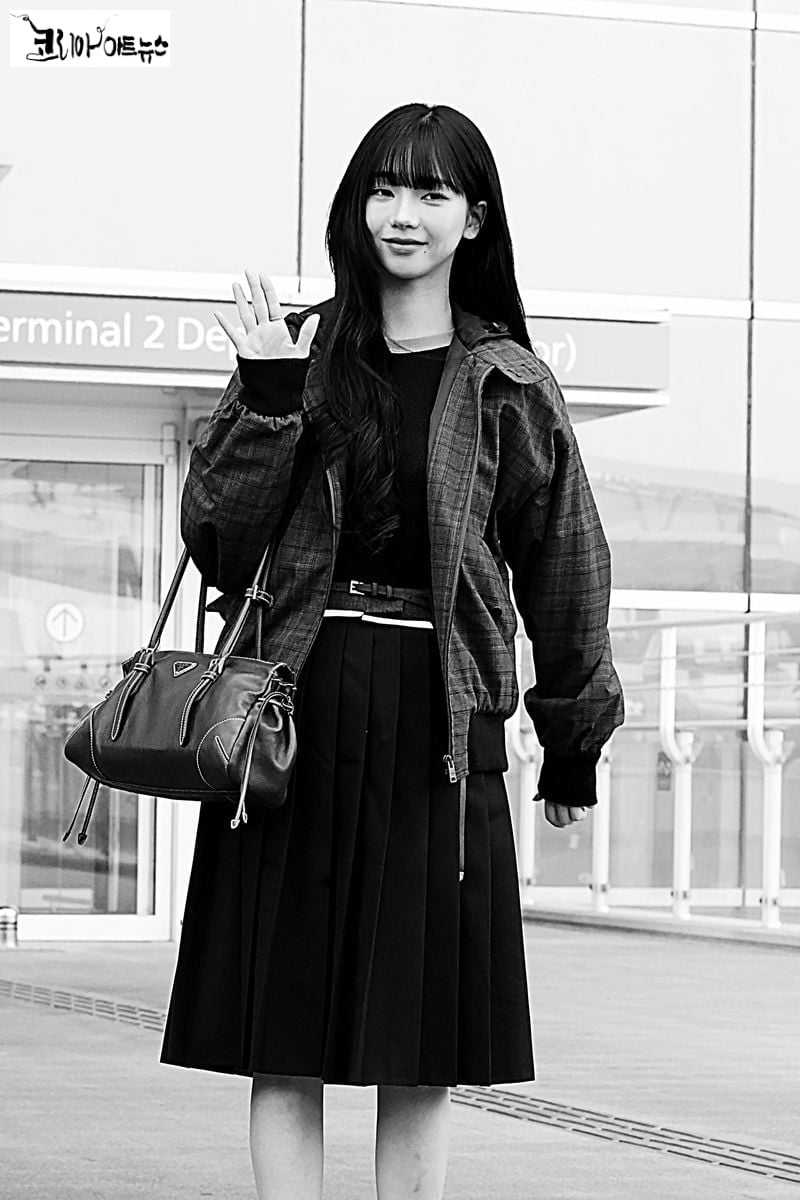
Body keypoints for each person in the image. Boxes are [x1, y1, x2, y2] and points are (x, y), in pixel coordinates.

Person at [160, 102, 625, 1200]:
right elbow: (218, 541)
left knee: (422, 1034)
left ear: (474, 218)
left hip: (439, 721)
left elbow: (566, 566)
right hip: (295, 706)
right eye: (383, 188)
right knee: (283, 1021)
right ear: (355, 206)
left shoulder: (508, 381)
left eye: (430, 192)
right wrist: (267, 399)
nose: (402, 213)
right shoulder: (300, 353)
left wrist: (572, 742)